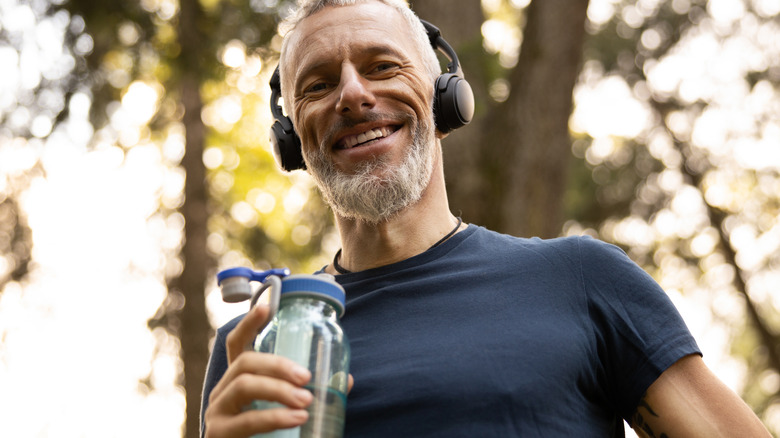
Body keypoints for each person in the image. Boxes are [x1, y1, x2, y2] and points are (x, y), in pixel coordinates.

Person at [201, 0, 772, 437]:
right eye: (319, 85)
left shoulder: (580, 278)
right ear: (291, 138)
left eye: (382, 66)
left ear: (445, 99)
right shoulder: (258, 344)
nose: (352, 95)